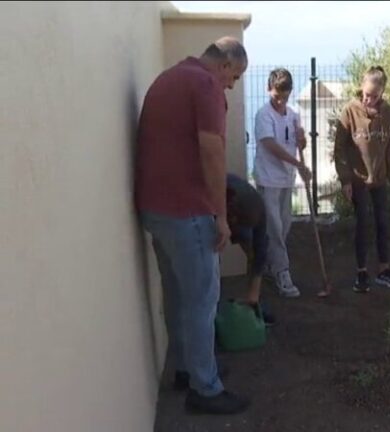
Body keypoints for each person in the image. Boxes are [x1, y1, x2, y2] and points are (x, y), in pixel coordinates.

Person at [135, 37, 250, 414]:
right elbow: (212, 150)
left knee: (177, 294)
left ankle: (188, 367)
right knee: (203, 299)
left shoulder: (168, 78)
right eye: (233, 77)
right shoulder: (205, 85)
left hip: (156, 209)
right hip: (188, 213)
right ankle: (206, 388)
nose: (231, 85)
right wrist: (220, 215)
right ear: (223, 64)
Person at [333, 66, 390, 293]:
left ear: (382, 92)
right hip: (358, 180)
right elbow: (340, 149)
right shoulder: (350, 112)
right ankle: (361, 272)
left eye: (374, 96)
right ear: (361, 88)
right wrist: (345, 179)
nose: (368, 100)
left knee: (383, 222)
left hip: (380, 179)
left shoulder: (389, 114)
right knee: (362, 223)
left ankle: (384, 269)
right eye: (366, 95)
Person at [252, 68, 311, 298]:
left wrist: (302, 139)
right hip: (268, 179)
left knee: (284, 224)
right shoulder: (263, 115)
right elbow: (270, 145)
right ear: (269, 90)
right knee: (274, 227)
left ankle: (267, 262)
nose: (281, 101)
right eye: (277, 96)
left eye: (285, 97)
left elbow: (299, 143)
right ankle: (283, 273)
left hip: (287, 179)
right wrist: (298, 163)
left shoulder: (293, 114)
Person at [226, 173, 275, 326]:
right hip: (215, 201)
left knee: (257, 255)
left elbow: (259, 252)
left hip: (241, 205)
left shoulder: (260, 209)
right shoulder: (221, 199)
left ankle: (254, 300)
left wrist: (253, 299)